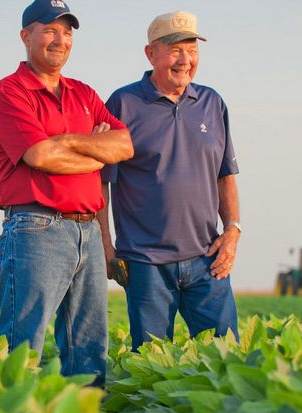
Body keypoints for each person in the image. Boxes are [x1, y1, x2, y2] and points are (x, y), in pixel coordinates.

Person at [0, 0, 133, 383]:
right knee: (23, 345)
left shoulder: (83, 92)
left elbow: (125, 145)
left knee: (88, 346)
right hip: (37, 228)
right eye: (50, 29)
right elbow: (39, 154)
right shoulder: (9, 92)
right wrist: (91, 148)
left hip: (88, 229)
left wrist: (67, 143)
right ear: (26, 36)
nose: (61, 39)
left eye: (67, 32)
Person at [99, 10, 241, 351]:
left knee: (227, 360)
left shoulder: (212, 103)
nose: (185, 60)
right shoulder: (123, 104)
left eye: (192, 50)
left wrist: (233, 229)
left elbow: (226, 174)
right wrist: (105, 245)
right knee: (151, 367)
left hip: (208, 260)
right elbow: (100, 181)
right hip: (146, 265)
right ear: (151, 53)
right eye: (175, 49)